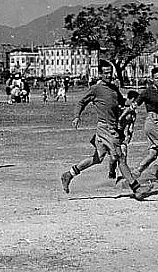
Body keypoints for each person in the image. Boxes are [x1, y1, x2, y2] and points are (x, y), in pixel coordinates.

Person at [60, 62, 147, 200]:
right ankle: (136, 189)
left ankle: (69, 174)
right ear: (100, 74)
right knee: (120, 157)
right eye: (105, 72)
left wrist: (135, 102)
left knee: (98, 158)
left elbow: (121, 101)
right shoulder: (96, 89)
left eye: (110, 72)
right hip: (105, 128)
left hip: (109, 128)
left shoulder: (113, 88)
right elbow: (81, 102)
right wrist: (77, 116)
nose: (108, 75)